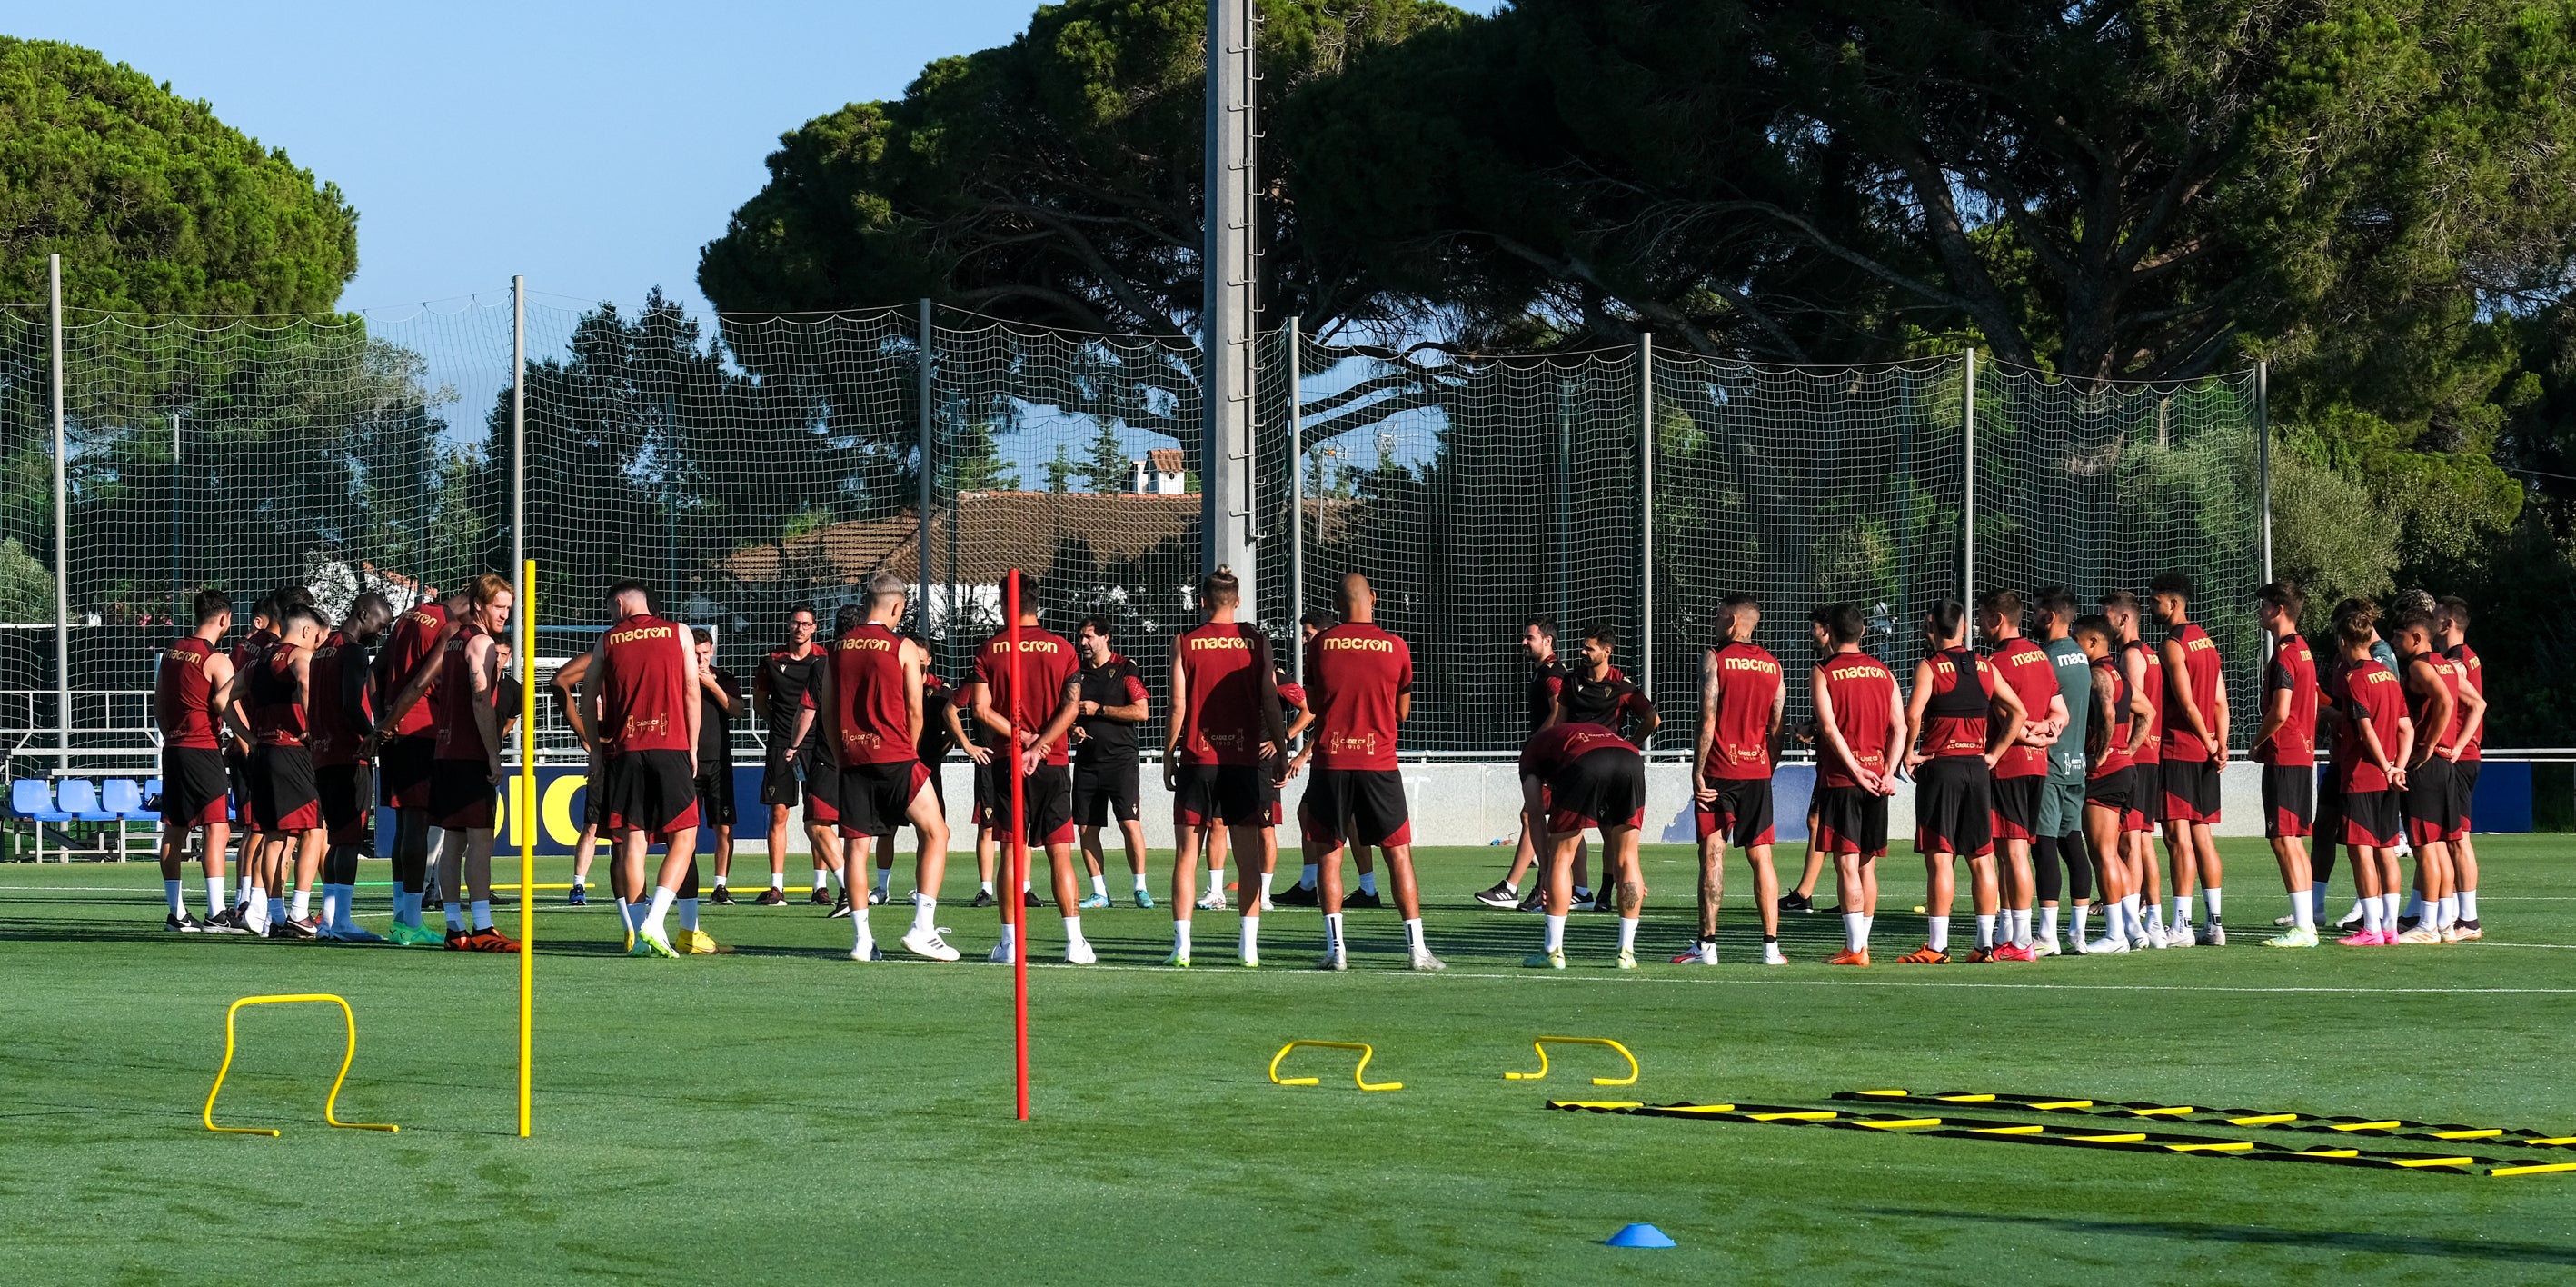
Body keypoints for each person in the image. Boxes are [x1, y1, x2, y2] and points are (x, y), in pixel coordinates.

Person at [1288, 574, 1444, 971]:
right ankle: (1417, 951)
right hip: (1379, 763)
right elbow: (1402, 713)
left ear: (1338, 605)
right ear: (1373, 598)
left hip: (1332, 761)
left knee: (1329, 855)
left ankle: (1336, 951)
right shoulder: (1396, 646)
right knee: (1398, 855)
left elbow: (1317, 703)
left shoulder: (1321, 644)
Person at [807, 574, 959, 962]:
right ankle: (922, 928)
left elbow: (826, 709)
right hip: (894, 756)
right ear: (896, 607)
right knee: (936, 832)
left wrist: (842, 756)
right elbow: (914, 708)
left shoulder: (837, 648)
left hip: (852, 759)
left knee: (856, 849)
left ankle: (861, 940)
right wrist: (909, 748)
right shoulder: (901, 646)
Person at [1161, 567, 1293, 967]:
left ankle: (1182, 948)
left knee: (1187, 855)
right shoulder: (1257, 641)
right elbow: (1271, 702)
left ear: (1201, 602)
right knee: (1248, 858)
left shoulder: (1185, 641)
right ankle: (1248, 949)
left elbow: (1178, 705)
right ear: (1237, 602)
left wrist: (1169, 753)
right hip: (1244, 762)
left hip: (1198, 761)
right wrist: (1283, 751)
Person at [383, 574, 520, 952]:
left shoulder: (454, 640)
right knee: (479, 841)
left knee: (452, 842)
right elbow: (480, 699)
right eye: (499, 606)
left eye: (508, 607)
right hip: (467, 754)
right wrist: (493, 753)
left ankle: (454, 927)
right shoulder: (481, 643)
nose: (505, 615)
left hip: (443, 753)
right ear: (478, 604)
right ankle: (483, 928)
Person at [576, 582, 705, 958]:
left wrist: (596, 753)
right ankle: (656, 920)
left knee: (633, 840)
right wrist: (693, 746)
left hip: (625, 749)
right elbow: (690, 689)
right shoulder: (678, 631)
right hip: (670, 745)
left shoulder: (608, 640)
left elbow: (587, 696)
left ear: (619, 603)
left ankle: (636, 934)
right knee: (685, 836)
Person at [971, 574, 1095, 964]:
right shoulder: (1061, 648)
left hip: (1009, 761)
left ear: (1006, 604)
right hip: (1053, 761)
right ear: (1035, 603)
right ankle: (1075, 943)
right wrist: (1040, 744)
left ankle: (1010, 945)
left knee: (1011, 851)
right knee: (1061, 852)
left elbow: (979, 709)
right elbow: (1071, 706)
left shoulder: (990, 649)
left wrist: (1021, 738)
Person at [1898, 599, 2026, 964]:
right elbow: (2018, 711)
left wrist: (1910, 752)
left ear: (1931, 628)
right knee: (1982, 857)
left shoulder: (1930, 667)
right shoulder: (1985, 666)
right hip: (1976, 767)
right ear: (1965, 626)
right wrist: (1995, 754)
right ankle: (1985, 945)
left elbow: (1913, 713)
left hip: (1943, 768)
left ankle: (1937, 947)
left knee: (1941, 858)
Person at [1682, 594, 1786, 966]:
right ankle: (1771, 947)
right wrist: (1767, 766)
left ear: (1731, 621)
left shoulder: (1716, 658)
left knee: (1712, 854)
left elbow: (1707, 718)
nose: (1713, 622)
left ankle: (1707, 946)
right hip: (1757, 771)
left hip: (1719, 771)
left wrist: (1697, 769)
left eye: (1716, 615)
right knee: (1763, 858)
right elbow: (1777, 727)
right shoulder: (1774, 666)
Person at [364, 588, 468, 941]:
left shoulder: (411, 616)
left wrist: (383, 721)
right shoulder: (450, 627)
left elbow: (375, 670)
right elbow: (421, 682)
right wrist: (390, 723)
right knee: (418, 825)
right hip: (420, 730)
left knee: (406, 825)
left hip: (395, 730)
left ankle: (400, 917)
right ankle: (411, 922)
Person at [1806, 604, 1905, 967]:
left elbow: (1830, 729)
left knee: (1846, 865)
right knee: (1867, 867)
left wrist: (1854, 769)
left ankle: (1855, 948)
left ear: (1829, 631)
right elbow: (1901, 726)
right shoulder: (1883, 672)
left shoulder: (1824, 671)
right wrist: (1888, 771)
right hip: (1878, 780)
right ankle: (1863, 944)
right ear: (1863, 632)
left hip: (1842, 779)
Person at [1978, 589, 2068, 962]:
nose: (1980, 625)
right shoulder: (2040, 657)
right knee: (2009, 852)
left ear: (1998, 620)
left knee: (2013, 853)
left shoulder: (1996, 662)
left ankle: (2023, 940)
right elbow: (2060, 713)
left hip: (2010, 764)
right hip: (2037, 765)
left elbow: (2007, 720)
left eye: (1983, 618)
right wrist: (2049, 732)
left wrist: (2028, 732)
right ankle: (2010, 932)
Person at [1548, 624, 1661, 912]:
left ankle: (1604, 893)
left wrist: (1632, 744)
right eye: (1582, 646)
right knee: (1565, 830)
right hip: (1577, 767)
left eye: (1589, 648)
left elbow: (1652, 719)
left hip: (1610, 769)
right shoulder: (1573, 680)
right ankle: (1569, 890)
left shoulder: (1622, 686)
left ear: (1607, 651)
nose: (1582, 652)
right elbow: (1559, 722)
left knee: (1611, 832)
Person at [1518, 722, 1649, 968]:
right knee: (1629, 858)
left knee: (1561, 859)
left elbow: (1533, 815)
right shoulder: (1585, 731)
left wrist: (1545, 869)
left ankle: (1552, 952)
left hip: (1585, 763)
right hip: (1631, 758)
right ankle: (1626, 953)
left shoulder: (1530, 753)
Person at [152, 589, 245, 933]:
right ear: (224, 619)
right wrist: (246, 739)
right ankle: (217, 912)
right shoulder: (216, 659)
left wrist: (173, 735)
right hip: (202, 749)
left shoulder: (172, 652)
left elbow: (160, 705)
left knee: (173, 829)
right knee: (217, 827)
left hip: (173, 748)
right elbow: (228, 706)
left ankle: (176, 913)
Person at [307, 593, 395, 942]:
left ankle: (330, 921)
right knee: (348, 840)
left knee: (337, 839)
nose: (381, 632)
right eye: (380, 624)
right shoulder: (353, 651)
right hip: (348, 755)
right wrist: (374, 735)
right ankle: (341, 920)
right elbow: (349, 705)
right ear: (363, 614)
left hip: (323, 755)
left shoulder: (322, 649)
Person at [2323, 599, 2411, 945]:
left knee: (2361, 850)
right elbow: (2406, 727)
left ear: (2344, 641)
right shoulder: (2388, 677)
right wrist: (2398, 767)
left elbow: (2365, 729)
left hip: (2362, 775)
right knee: (2387, 849)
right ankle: (2389, 927)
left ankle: (2371, 928)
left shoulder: (2355, 677)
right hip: (2389, 778)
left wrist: (2384, 765)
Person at [240, 602, 330, 938]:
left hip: (263, 751)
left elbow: (223, 699)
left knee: (275, 836)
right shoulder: (298, 656)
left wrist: (248, 736)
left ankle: (274, 918)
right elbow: (306, 685)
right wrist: (315, 728)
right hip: (292, 751)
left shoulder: (257, 659)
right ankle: (299, 912)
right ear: (307, 631)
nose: (318, 645)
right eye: (318, 638)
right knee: (315, 829)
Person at [1474, 617, 1576, 908]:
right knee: (1556, 822)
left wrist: (1537, 743)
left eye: (1530, 638)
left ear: (1547, 641)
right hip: (1554, 757)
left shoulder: (1553, 672)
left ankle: (1517, 886)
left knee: (1533, 817)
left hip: (1552, 758)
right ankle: (1563, 887)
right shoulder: (1544, 671)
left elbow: (1559, 710)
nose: (1524, 642)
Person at [2152, 573, 2230, 945]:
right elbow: (2218, 701)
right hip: (2205, 751)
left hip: (2179, 748)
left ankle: (2181, 925)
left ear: (2174, 603)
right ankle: (2214, 923)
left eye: (2156, 600)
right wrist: (2220, 743)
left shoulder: (2173, 644)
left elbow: (2185, 703)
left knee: (2176, 836)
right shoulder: (2207, 642)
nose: (2153, 607)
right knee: (2203, 836)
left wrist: (2206, 741)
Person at [2248, 580, 2322, 947]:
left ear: (2278, 610)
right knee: (2292, 840)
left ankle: (2304, 928)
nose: (2259, 612)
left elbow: (2280, 711)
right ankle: (2306, 921)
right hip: (2302, 754)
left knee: (2283, 839)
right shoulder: (2303, 649)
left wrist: (2257, 742)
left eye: (2263, 606)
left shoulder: (2285, 654)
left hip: (2286, 752)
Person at [2076, 614, 2152, 953]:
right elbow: (2147, 711)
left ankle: (2114, 935)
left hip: (2105, 774)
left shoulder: (2098, 674)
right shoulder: (2119, 674)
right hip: (2126, 770)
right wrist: (2129, 749)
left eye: (2077, 640)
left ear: (2092, 642)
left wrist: (2103, 753)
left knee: (2102, 853)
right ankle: (2133, 928)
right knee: (2114, 854)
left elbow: (2107, 713)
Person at [747, 608, 830, 907]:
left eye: (806, 624)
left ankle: (820, 887)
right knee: (779, 814)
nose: (800, 628)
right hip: (780, 747)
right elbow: (760, 704)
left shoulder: (824, 659)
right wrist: (783, 731)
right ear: (788, 624)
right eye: (796, 622)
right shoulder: (772, 660)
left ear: (814, 628)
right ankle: (776, 887)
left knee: (818, 817)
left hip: (817, 748)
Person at [2390, 607, 2462, 945]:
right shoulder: (2445, 664)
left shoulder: (2420, 665)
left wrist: (2429, 744)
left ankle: (2428, 925)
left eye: (2398, 635)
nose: (2394, 642)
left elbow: (2445, 702)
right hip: (2445, 765)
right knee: (2442, 847)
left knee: (2425, 848)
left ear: (2416, 637)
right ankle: (2445, 921)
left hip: (2427, 764)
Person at [1071, 617, 1153, 910]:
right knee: (1086, 829)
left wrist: (1100, 710)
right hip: (1087, 764)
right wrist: (1073, 728)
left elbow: (1142, 711)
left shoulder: (1124, 668)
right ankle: (1100, 893)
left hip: (1121, 761)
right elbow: (1068, 711)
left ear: (1105, 637)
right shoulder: (1076, 673)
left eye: (1089, 637)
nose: (1083, 643)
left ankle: (1140, 888)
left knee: (1129, 824)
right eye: (1081, 637)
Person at [2104, 591, 2170, 948]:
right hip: (2151, 755)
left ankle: (2133, 926)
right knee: (2142, 840)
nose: (2105, 623)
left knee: (2131, 841)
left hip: (2137, 756)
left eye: (2108, 616)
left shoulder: (2131, 656)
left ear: (2124, 619)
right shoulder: (2152, 655)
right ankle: (2154, 922)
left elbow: (2133, 708)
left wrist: (2123, 750)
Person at [2032, 588, 2094, 954]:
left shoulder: (2048, 658)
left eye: (2038, 610)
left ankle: (2047, 935)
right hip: (2076, 765)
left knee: (2044, 845)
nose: (2034, 616)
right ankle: (2078, 935)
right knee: (2072, 842)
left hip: (2052, 763)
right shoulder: (2081, 656)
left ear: (2050, 616)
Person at [2435, 596, 2487, 940]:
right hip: (2463, 755)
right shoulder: (2465, 657)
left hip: (2460, 757)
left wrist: (2457, 746)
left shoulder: (2458, 663)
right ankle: (2448, 912)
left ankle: (2468, 919)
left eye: (2437, 615)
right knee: (2444, 837)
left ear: (2449, 623)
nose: (2431, 619)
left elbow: (2476, 706)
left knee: (2458, 838)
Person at [689, 628, 741, 939]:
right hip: (689, 763)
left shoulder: (723, 677)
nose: (700, 659)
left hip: (719, 762)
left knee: (723, 827)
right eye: (695, 654)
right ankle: (686, 884)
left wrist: (711, 683)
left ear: (711, 652)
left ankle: (720, 885)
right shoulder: (679, 676)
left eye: (704, 653)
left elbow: (738, 709)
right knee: (686, 831)